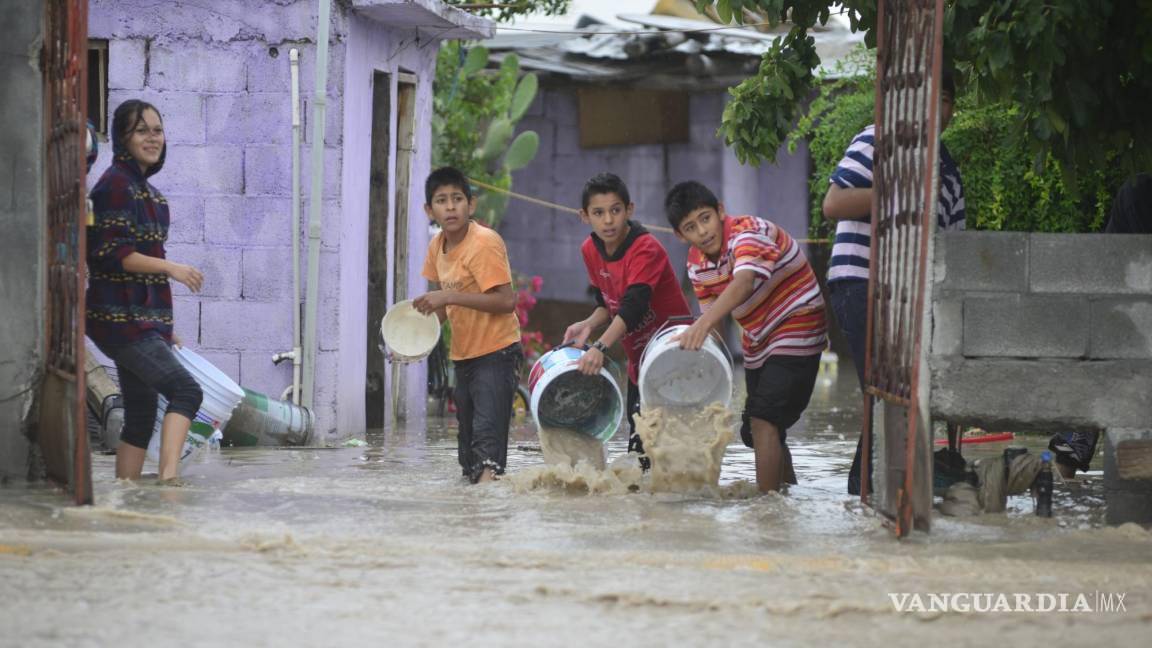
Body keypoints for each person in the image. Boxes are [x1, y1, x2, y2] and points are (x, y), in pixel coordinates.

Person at [822, 68, 966, 495]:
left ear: (953, 110)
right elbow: (834, 203)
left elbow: (951, 248)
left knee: (892, 394)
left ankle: (866, 492)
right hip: (861, 281)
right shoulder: (878, 139)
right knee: (887, 392)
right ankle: (872, 491)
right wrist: (902, 190)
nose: (935, 108)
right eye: (928, 97)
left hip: (911, 297)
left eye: (944, 100)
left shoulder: (949, 172)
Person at [665, 181, 828, 493]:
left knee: (764, 419)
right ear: (680, 235)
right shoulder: (696, 264)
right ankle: (784, 497)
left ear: (720, 211)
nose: (702, 231)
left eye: (705, 218)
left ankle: (764, 509)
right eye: (691, 227)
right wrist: (708, 379)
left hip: (798, 320)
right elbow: (714, 322)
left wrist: (699, 325)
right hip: (757, 339)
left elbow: (743, 282)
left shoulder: (748, 232)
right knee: (756, 430)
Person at [86, 99, 204, 482]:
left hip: (140, 322)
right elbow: (111, 253)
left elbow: (146, 265)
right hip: (118, 321)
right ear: (123, 138)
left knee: (140, 413)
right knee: (186, 391)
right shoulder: (115, 186)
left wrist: (163, 331)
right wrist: (172, 268)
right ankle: (169, 483)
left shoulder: (151, 196)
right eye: (141, 131)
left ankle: (126, 493)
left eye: (157, 130)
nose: (152, 138)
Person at [562, 173, 692, 469]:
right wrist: (587, 324)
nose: (608, 220)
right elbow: (608, 304)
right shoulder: (589, 250)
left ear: (629, 210)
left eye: (615, 210)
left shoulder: (646, 248)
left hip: (675, 356)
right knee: (640, 449)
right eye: (598, 213)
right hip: (640, 364)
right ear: (585, 216)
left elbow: (633, 306)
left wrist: (600, 347)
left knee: (672, 449)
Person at [414, 167, 522, 484]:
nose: (450, 207)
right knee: (469, 458)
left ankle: (486, 508)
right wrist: (411, 343)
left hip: (497, 353)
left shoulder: (484, 243)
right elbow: (441, 310)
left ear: (471, 204)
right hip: (464, 357)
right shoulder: (436, 246)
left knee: (487, 453)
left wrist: (448, 296)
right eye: (441, 200)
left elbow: (506, 301)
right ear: (429, 210)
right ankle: (473, 512)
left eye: (457, 199)